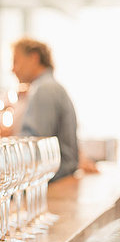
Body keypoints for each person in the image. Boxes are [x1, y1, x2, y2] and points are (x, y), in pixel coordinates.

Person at [12, 38, 79, 180]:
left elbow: (33, 147)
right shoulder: (50, 86)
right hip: (60, 177)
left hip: (52, 181)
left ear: (34, 58)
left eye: (16, 61)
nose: (12, 69)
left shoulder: (44, 89)